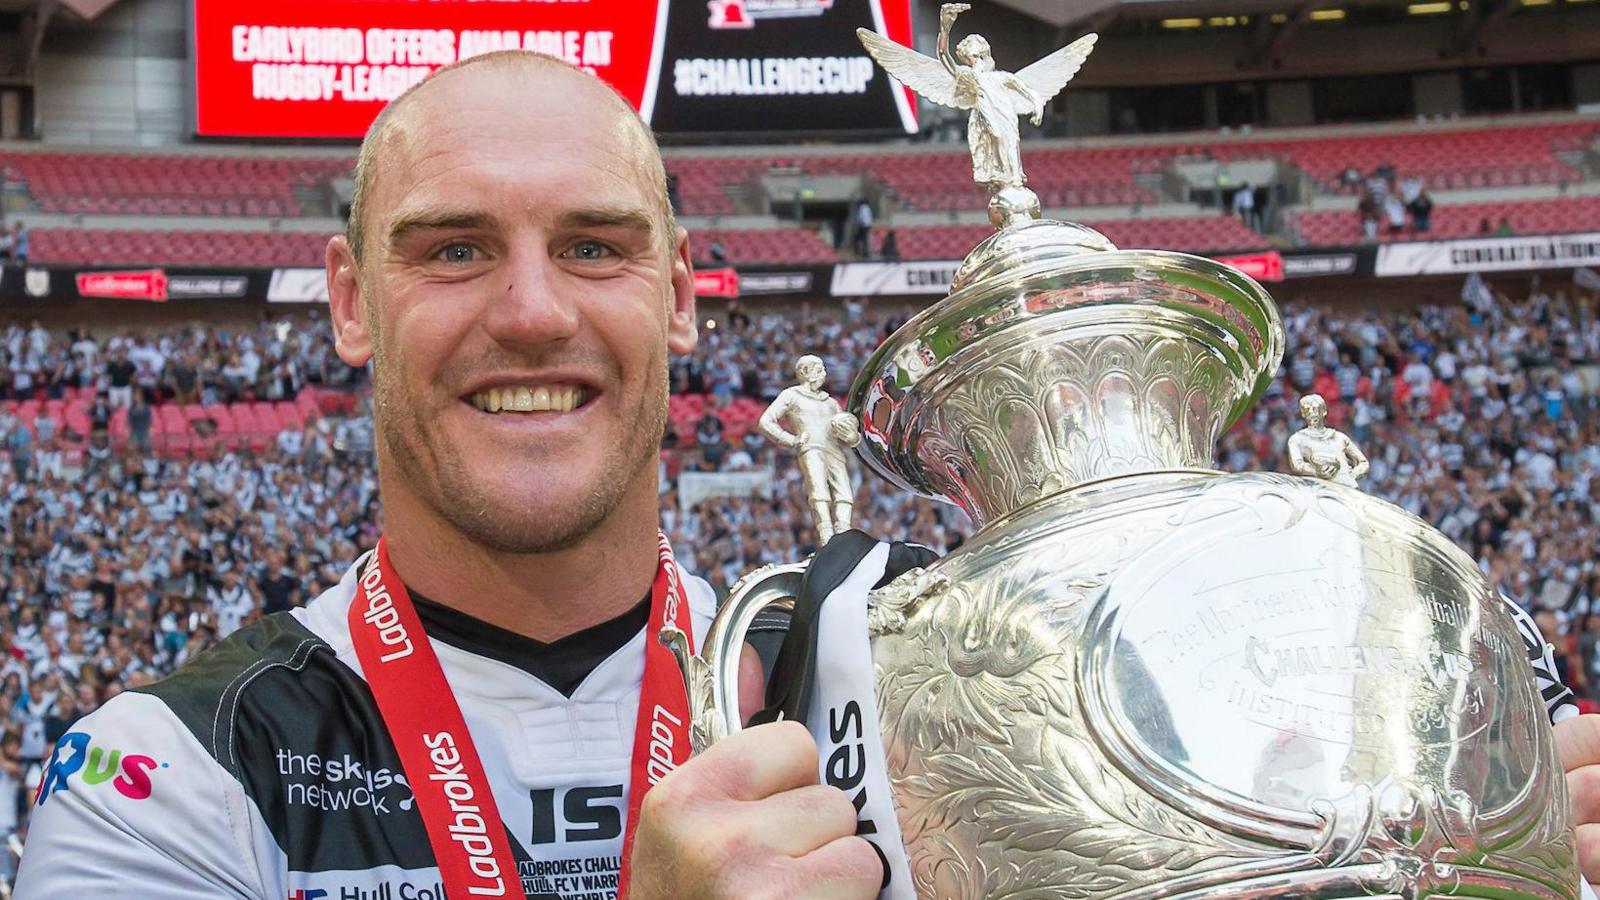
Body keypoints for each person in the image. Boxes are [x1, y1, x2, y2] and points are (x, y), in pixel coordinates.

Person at [15, 51, 883, 899]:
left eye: (591, 247)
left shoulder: (874, 700)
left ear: (680, 296)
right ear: (352, 304)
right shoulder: (164, 775)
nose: (534, 314)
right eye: (456, 252)